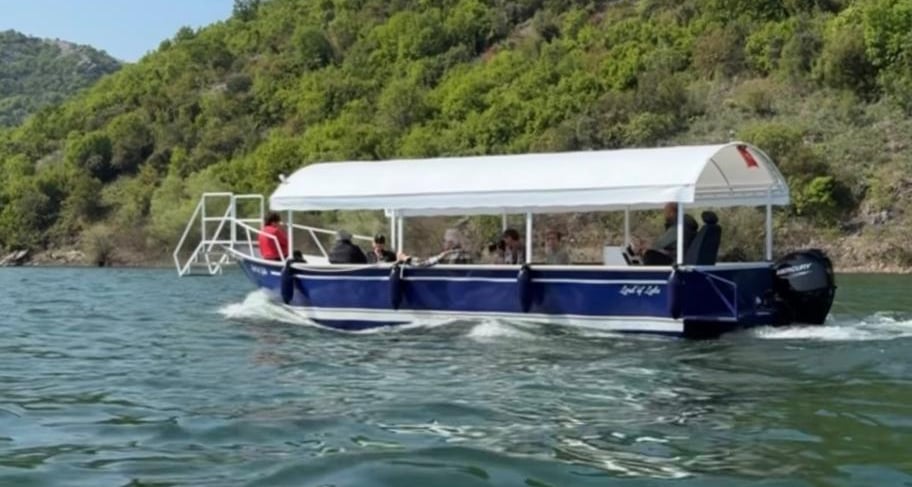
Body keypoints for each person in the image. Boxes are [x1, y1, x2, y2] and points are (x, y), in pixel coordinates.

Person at [397, 228, 473, 267]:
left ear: (451, 243)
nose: (443, 243)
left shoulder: (448, 255)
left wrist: (406, 258)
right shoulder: (468, 255)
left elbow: (424, 263)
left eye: (444, 240)